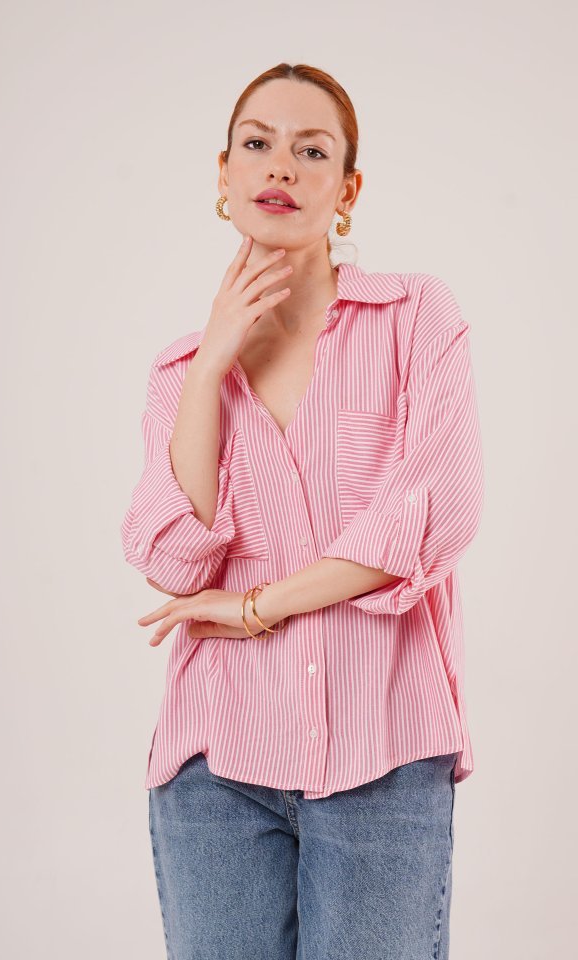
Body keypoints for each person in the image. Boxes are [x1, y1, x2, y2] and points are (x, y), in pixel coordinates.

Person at [120, 62, 484, 960]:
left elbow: (435, 512)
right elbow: (172, 560)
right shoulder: (179, 374)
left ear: (347, 190)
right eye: (258, 144)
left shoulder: (415, 317)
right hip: (215, 772)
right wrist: (213, 362)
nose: (280, 165)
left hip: (383, 759)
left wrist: (257, 605)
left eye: (312, 150)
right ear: (225, 175)